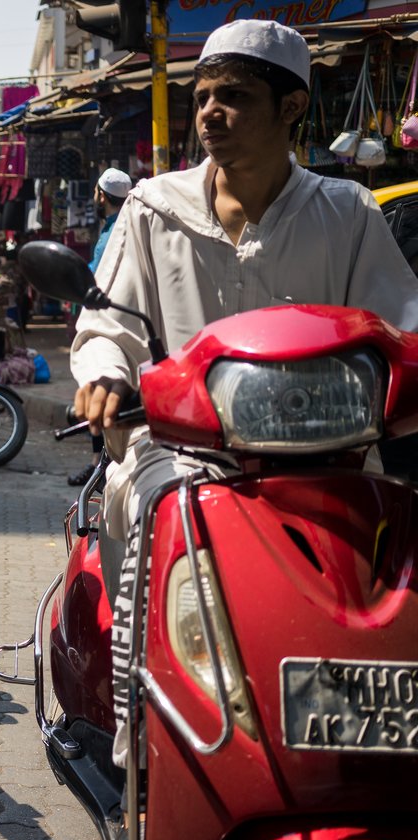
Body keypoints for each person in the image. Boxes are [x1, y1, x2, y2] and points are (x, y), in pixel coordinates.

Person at [70, 18, 418, 789]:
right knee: (155, 534)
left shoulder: (348, 213)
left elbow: (402, 323)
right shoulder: (155, 207)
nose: (210, 113)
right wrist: (107, 372)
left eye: (234, 96)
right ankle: (143, 753)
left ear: (292, 108)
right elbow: (110, 321)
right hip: (181, 449)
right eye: (202, 97)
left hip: (327, 455)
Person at [67, 167, 131, 487]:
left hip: (106, 327)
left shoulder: (113, 235)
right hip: (114, 323)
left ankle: (99, 465)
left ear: (101, 196)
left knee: (96, 389)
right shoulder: (118, 227)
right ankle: (99, 463)